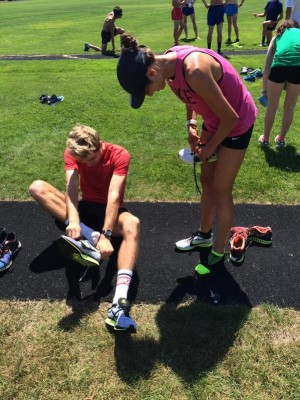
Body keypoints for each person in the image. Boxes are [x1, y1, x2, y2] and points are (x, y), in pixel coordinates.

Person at [116, 33, 257, 276]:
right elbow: (187, 94)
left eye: (145, 91)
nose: (149, 95)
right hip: (214, 120)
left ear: (152, 73)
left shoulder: (195, 69)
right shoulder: (168, 65)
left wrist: (211, 148)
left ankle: (218, 251)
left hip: (236, 124)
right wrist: (191, 124)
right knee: (206, 181)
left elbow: (231, 117)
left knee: (221, 190)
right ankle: (204, 236)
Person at [29, 125, 140, 333]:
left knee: (133, 223)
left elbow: (114, 196)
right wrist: (72, 220)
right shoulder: (73, 153)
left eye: (92, 159)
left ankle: (118, 306)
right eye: (83, 162)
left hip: (109, 211)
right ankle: (90, 236)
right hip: (86, 210)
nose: (88, 164)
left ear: (99, 145)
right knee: (37, 187)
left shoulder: (120, 154)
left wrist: (107, 234)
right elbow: (71, 190)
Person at [258, 19, 300, 148]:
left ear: (282, 27)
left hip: (279, 65)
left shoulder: (278, 35)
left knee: (272, 106)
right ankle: (281, 139)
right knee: (289, 107)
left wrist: (265, 91)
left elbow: (267, 66)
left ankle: (265, 139)